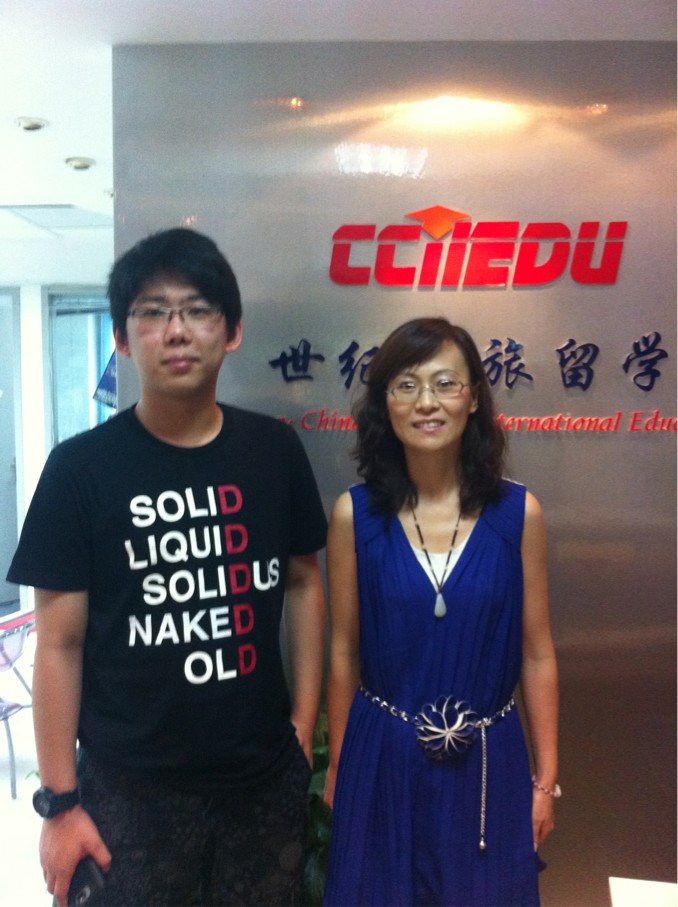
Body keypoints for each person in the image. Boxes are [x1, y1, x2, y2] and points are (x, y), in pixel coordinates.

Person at [7, 228, 328, 907]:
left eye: (198, 309)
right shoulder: (79, 470)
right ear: (122, 339)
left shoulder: (273, 451)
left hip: (261, 785)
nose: (176, 330)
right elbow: (58, 643)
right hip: (129, 791)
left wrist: (303, 723)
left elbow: (303, 581)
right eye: (152, 312)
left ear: (232, 331)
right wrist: (60, 803)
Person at [322, 318, 559, 906]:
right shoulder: (354, 516)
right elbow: (343, 651)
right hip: (382, 756)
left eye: (445, 383)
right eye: (406, 385)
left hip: (489, 763)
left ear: (473, 397)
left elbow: (536, 653)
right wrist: (341, 769)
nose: (426, 402)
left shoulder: (519, 514)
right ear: (385, 403)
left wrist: (545, 779)